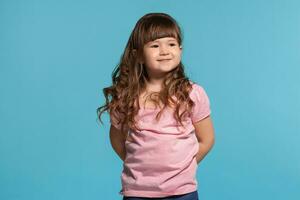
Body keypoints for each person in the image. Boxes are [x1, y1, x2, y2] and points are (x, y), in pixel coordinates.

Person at [97, 12, 215, 200]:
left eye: (171, 44)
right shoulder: (127, 96)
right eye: (154, 45)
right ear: (139, 56)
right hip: (138, 191)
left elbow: (206, 139)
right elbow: (117, 139)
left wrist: (184, 167)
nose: (165, 51)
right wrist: (139, 166)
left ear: (180, 50)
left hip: (181, 191)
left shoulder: (192, 94)